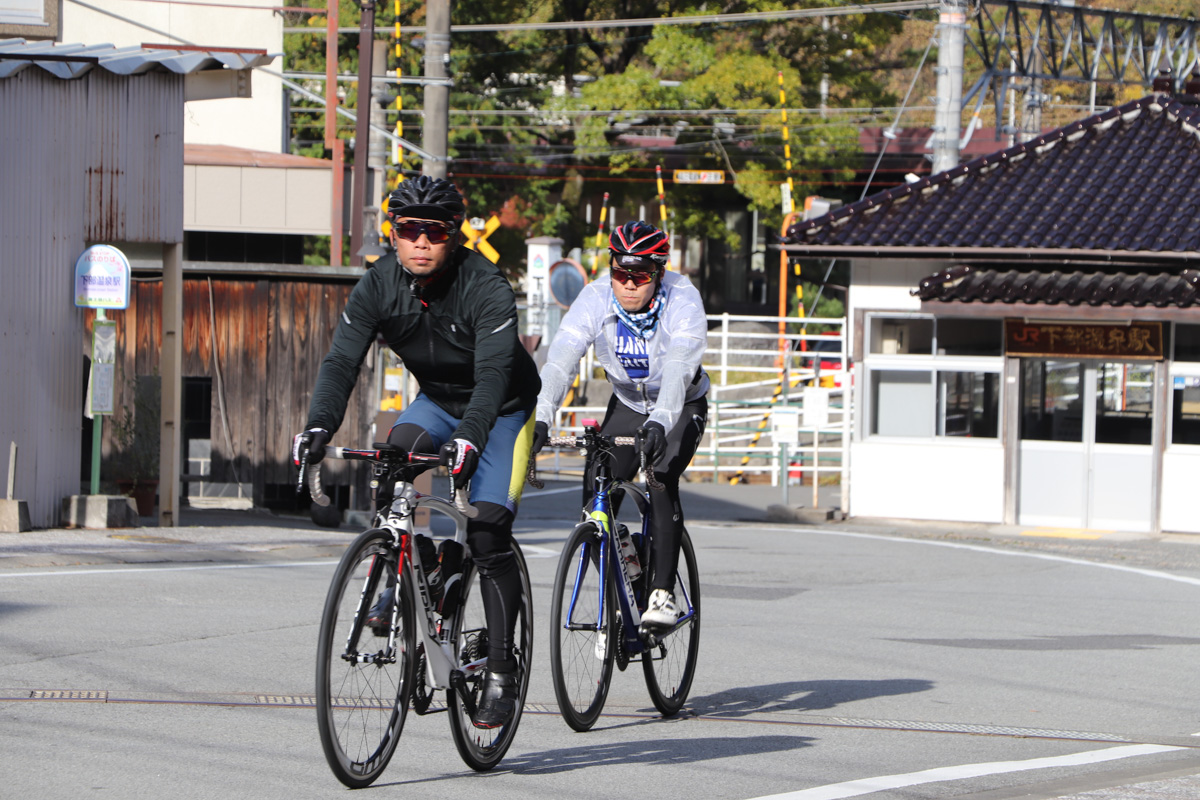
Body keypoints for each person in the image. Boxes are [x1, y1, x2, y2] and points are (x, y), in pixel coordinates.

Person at [292, 175, 540, 729]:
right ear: (394, 234)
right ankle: (415, 559)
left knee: (487, 533)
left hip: (501, 409)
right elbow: (341, 363)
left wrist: (471, 437)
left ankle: (501, 669)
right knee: (392, 459)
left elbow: (496, 375)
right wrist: (317, 427)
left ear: (454, 237)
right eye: (409, 230)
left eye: (435, 231)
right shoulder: (379, 284)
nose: (421, 242)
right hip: (436, 402)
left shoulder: (485, 286)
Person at [530, 220, 709, 629]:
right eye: (620, 273)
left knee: (660, 474)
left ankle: (663, 593)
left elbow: (680, 367)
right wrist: (541, 417)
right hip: (628, 403)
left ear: (659, 272)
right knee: (596, 491)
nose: (628, 284)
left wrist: (661, 422)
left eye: (640, 275)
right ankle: (630, 570)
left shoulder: (683, 299)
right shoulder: (595, 298)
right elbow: (561, 361)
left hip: (680, 405)